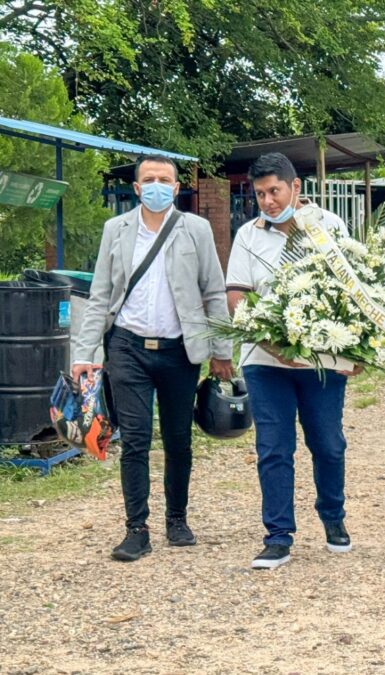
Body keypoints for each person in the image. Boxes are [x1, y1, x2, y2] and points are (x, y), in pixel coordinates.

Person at [72, 155, 233, 562]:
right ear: (137, 187)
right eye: (149, 179)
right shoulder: (117, 230)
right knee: (137, 440)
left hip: (181, 350)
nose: (157, 185)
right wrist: (84, 353)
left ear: (177, 188)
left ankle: (177, 519)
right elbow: (100, 296)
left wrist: (221, 352)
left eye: (165, 179)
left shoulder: (195, 229)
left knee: (178, 439)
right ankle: (136, 529)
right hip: (127, 348)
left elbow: (214, 292)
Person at [225, 152, 361, 570]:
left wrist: (354, 350)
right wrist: (268, 339)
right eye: (260, 193)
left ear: (295, 187)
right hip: (265, 360)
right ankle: (278, 535)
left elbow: (353, 292)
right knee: (273, 448)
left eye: (275, 191)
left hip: (322, 361)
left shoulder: (329, 228)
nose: (267, 200)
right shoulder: (248, 235)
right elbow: (237, 295)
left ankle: (333, 517)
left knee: (328, 443)